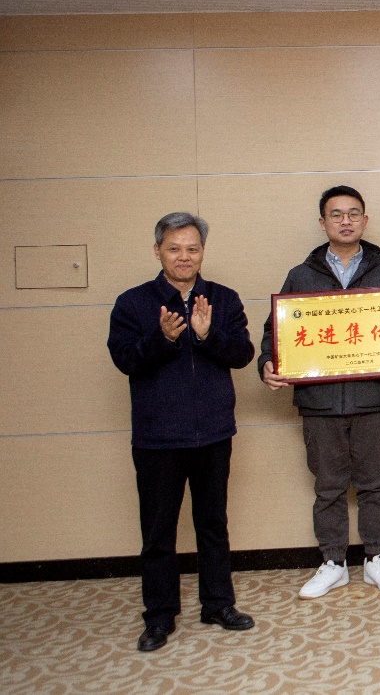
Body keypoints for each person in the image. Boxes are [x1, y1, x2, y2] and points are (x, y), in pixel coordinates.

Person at [259, 186, 380, 599]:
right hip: (320, 401)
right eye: (336, 214)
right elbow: (276, 330)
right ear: (323, 223)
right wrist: (268, 362)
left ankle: (375, 558)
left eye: (353, 214)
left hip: (373, 397)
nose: (345, 221)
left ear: (365, 221)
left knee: (375, 484)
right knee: (328, 486)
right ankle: (333, 562)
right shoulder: (301, 275)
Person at [108, 212, 256, 652]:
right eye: (174, 248)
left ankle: (218, 605)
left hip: (213, 432)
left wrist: (208, 336)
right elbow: (125, 360)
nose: (184, 256)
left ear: (202, 252)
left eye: (192, 248)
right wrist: (163, 339)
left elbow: (243, 354)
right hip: (157, 438)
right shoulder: (132, 303)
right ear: (158, 251)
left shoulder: (223, 299)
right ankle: (158, 617)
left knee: (213, 524)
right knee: (158, 532)